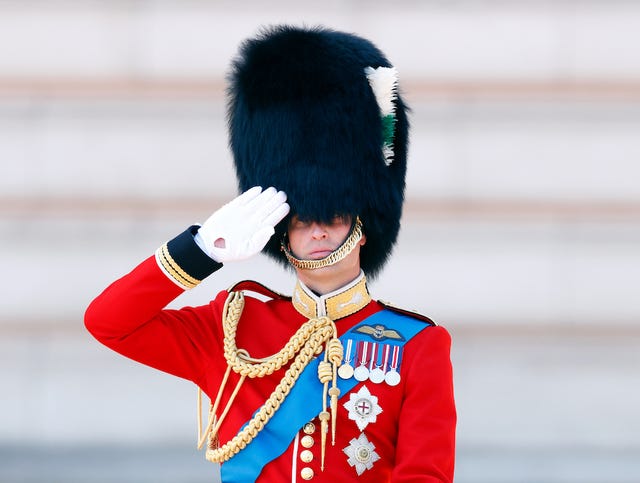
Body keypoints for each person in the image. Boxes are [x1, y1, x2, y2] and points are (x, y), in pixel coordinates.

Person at [85, 25, 456, 482]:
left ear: (362, 229)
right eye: (301, 219)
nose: (317, 229)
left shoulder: (417, 346)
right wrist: (201, 251)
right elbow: (108, 322)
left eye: (334, 216)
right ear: (283, 234)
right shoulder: (231, 328)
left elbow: (424, 475)